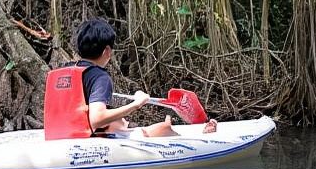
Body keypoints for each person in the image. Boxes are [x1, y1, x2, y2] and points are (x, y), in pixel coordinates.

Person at [72, 18, 215, 137]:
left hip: (64, 136)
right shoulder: (99, 76)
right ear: (107, 51)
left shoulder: (66, 73)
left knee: (139, 126)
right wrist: (137, 104)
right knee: (162, 129)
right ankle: (202, 135)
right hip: (90, 140)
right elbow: (97, 119)